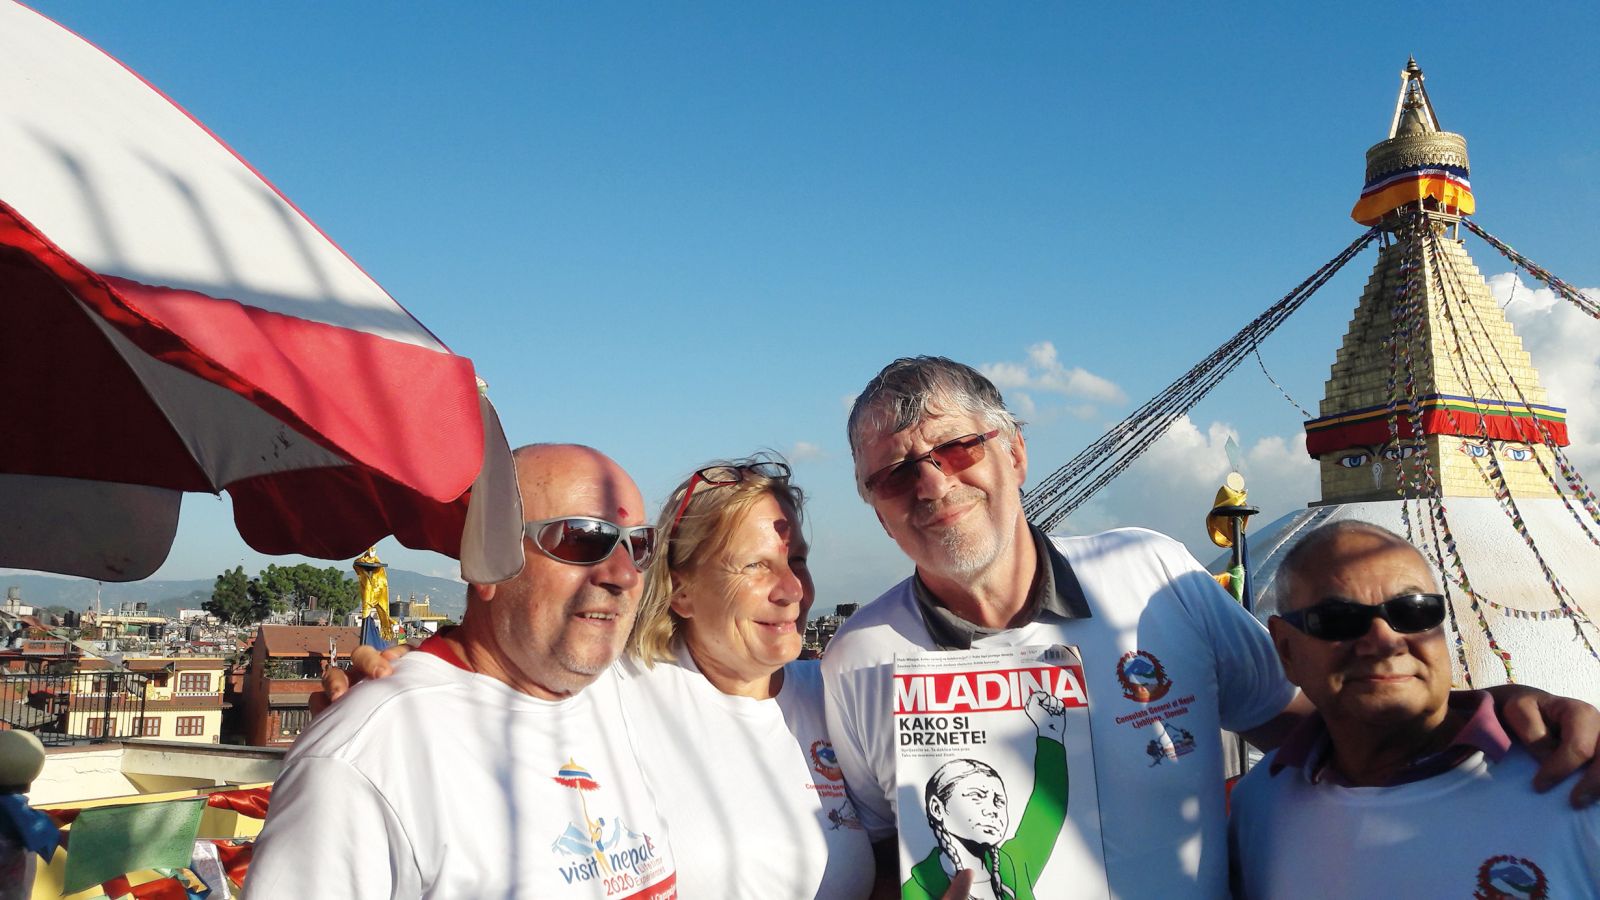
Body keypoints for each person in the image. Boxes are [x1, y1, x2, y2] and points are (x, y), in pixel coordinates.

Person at [819, 356, 1600, 897]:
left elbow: (1311, 726)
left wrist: (1489, 722)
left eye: (957, 447)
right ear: (875, 504)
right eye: (894, 473)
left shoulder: (1152, 577)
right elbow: (884, 845)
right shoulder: (859, 658)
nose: (931, 482)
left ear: (1016, 453)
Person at [248, 444, 680, 899]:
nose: (625, 575)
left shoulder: (628, 697)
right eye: (583, 538)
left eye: (640, 545)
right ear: (486, 566)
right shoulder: (369, 756)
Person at [1230, 521, 1600, 898]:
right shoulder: (1262, 805)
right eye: (1339, 619)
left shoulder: (1579, 780)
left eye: (1414, 611)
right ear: (1286, 649)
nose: (1385, 641)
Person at [617, 455, 875, 898]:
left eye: (797, 560)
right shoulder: (618, 697)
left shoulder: (836, 696)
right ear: (681, 591)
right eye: (755, 565)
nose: (793, 589)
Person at [903, 692, 1067, 900]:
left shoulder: (1013, 866)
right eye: (977, 796)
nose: (992, 810)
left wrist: (1050, 734)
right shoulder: (915, 890)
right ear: (937, 808)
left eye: (999, 801)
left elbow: (1046, 815)